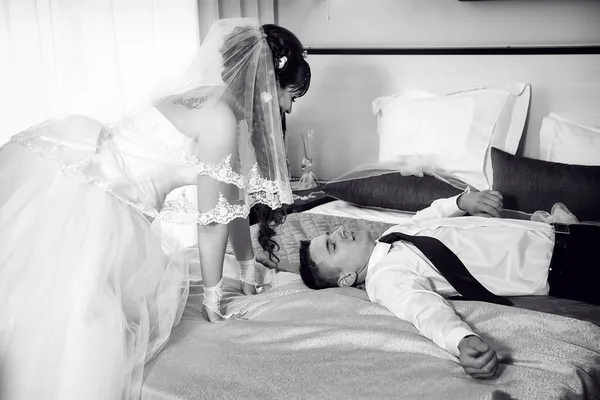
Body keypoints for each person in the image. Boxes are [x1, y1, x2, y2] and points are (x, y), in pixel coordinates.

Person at [0, 18, 310, 400]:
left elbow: (230, 200)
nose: (289, 108)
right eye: (291, 95)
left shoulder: (210, 101)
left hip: (81, 167)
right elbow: (212, 220)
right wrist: (214, 299)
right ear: (266, 88)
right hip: (100, 202)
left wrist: (247, 267)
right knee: (78, 324)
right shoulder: (222, 119)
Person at [298, 190, 599, 379]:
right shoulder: (386, 278)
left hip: (556, 234)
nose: (339, 231)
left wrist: (462, 201)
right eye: (332, 246)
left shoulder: (392, 234)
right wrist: (461, 340)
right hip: (560, 265)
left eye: (332, 233)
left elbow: (429, 215)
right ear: (347, 278)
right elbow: (423, 310)